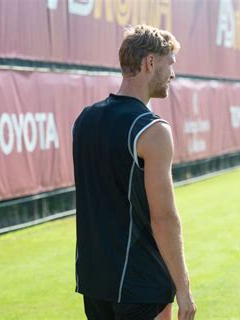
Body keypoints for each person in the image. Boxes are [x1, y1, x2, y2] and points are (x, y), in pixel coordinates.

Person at [73, 25, 196, 320]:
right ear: (150, 62)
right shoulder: (152, 130)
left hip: (93, 281)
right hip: (141, 283)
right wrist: (184, 288)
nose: (173, 74)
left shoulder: (84, 119)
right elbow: (164, 217)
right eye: (170, 64)